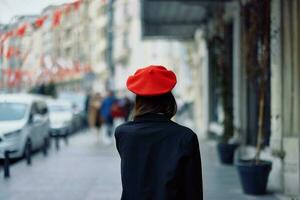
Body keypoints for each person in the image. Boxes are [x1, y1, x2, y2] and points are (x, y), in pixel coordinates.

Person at [115, 65, 203, 200]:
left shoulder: (122, 133)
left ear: (138, 101)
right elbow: (192, 190)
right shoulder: (185, 137)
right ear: (169, 100)